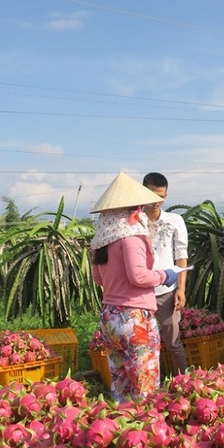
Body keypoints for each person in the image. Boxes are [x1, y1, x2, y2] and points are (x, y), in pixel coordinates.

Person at [89, 172, 178, 403]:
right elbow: (138, 276)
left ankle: (121, 427)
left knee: (121, 384)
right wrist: (164, 275)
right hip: (134, 319)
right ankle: (145, 431)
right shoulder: (132, 237)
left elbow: (99, 279)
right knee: (145, 388)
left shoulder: (101, 240)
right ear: (134, 209)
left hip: (109, 318)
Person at [142, 172, 189, 375]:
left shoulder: (174, 221)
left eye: (161, 196)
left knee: (173, 342)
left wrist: (181, 289)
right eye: (153, 195)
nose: (157, 201)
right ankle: (148, 388)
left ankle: (184, 382)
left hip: (166, 292)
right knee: (142, 346)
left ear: (166, 195)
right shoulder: (133, 222)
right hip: (140, 294)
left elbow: (181, 256)